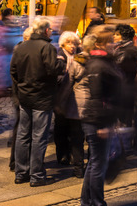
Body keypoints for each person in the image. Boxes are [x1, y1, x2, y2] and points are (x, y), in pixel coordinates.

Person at [10, 18, 65, 186]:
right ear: (46, 31)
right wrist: (61, 62)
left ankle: (21, 173)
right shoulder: (46, 47)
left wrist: (20, 88)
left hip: (25, 96)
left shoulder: (21, 46)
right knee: (38, 137)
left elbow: (13, 70)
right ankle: (37, 176)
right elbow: (52, 69)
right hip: (42, 97)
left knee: (23, 135)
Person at [80, 29, 124, 206]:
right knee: (98, 164)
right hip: (97, 119)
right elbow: (98, 96)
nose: (114, 44)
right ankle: (97, 202)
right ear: (99, 44)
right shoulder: (98, 64)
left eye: (113, 41)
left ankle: (87, 200)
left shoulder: (104, 62)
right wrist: (102, 124)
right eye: (110, 41)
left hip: (101, 118)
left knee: (94, 162)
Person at [54, 32, 85, 177]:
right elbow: (57, 77)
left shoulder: (80, 55)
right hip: (62, 96)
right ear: (63, 44)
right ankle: (62, 154)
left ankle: (74, 155)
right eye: (69, 44)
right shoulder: (59, 55)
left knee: (75, 129)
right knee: (61, 127)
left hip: (75, 98)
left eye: (74, 44)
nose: (72, 47)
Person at [112, 24, 137, 146]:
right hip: (124, 89)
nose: (114, 36)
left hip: (122, 90)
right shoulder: (121, 49)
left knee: (123, 120)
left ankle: (124, 147)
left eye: (117, 34)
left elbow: (116, 69)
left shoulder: (125, 52)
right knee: (124, 119)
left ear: (123, 37)